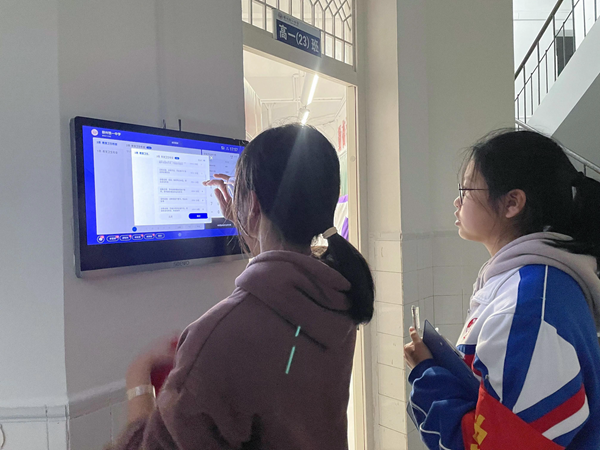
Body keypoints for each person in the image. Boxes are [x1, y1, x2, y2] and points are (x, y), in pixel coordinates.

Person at [110, 124, 374, 449]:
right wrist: (249, 223)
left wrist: (137, 378)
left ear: (253, 205)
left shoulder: (218, 335)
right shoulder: (337, 296)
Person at [404, 130, 600, 449]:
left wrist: (428, 374)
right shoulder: (532, 283)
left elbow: (491, 443)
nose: (457, 202)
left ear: (512, 203)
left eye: (466, 190)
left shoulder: (527, 308)